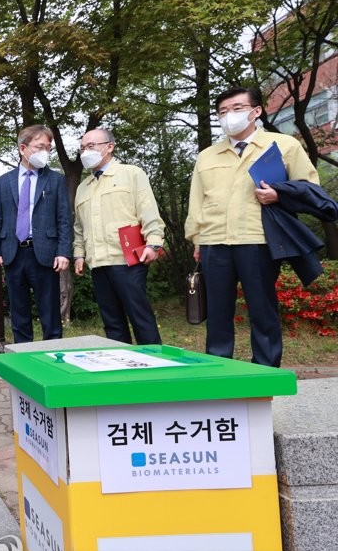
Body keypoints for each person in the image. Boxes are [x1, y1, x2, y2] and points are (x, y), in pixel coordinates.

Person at [184, 87, 318, 367]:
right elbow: (196, 201)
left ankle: (266, 368)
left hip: (258, 240)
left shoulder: (283, 146)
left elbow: (309, 188)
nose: (229, 116)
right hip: (214, 241)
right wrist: (197, 239)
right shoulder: (207, 156)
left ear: (256, 111)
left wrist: (280, 195)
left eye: (236, 108)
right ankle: (219, 369)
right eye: (222, 111)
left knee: (262, 308)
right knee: (218, 311)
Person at [72, 128, 165, 345]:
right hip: (98, 262)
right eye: (83, 148)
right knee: (112, 321)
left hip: (128, 259)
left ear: (109, 147)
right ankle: (121, 366)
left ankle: (155, 367)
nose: (86, 151)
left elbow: (148, 210)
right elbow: (79, 227)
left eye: (91, 146)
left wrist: (154, 242)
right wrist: (79, 255)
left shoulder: (131, 174)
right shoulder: (83, 187)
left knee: (140, 317)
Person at [0, 125, 71, 343]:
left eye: (48, 148)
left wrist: (64, 252)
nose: (45, 152)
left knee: (50, 311)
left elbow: (64, 218)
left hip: (45, 253)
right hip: (13, 252)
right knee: (19, 312)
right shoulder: (3, 182)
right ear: (23, 148)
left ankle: (54, 358)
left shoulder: (55, 180)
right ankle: (23, 359)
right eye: (40, 147)